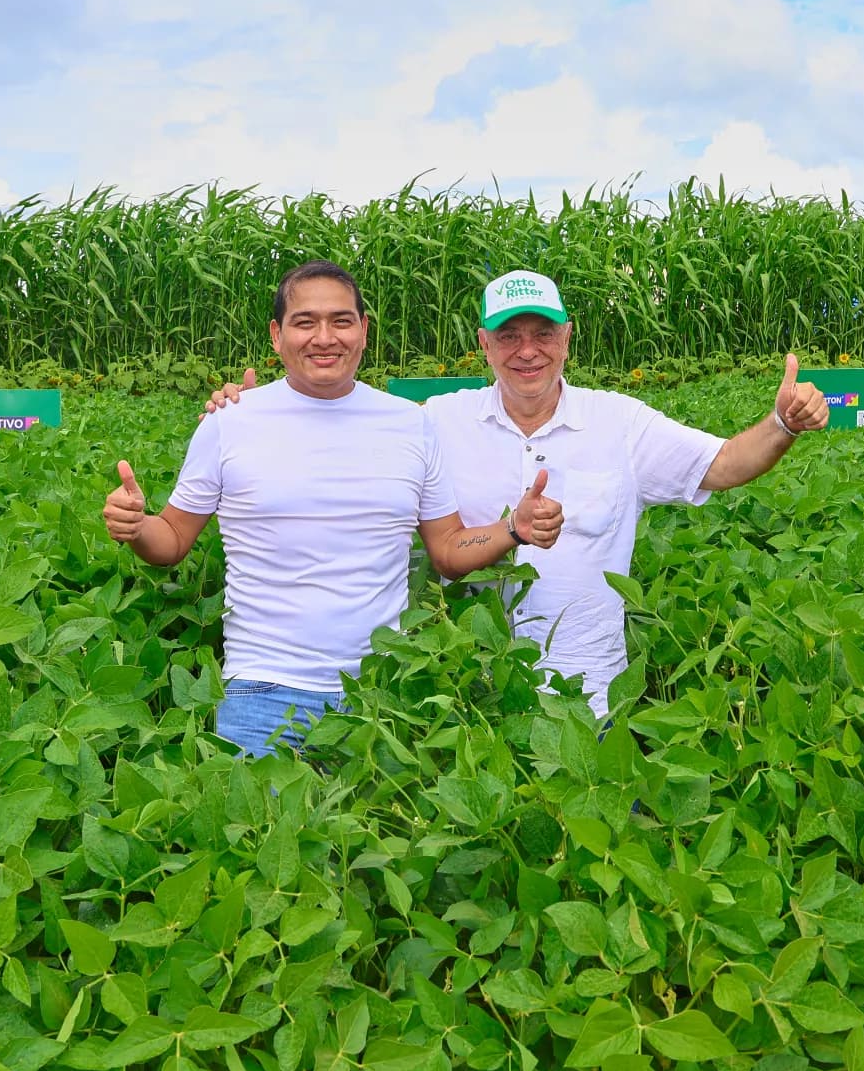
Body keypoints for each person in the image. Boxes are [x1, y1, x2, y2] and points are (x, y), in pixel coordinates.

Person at [206, 268, 828, 715]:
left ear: (567, 337)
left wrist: (781, 425)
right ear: (484, 343)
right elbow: (338, 413)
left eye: (542, 333)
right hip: (470, 691)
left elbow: (721, 463)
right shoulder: (435, 421)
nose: (526, 351)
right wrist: (251, 407)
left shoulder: (620, 422)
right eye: (508, 335)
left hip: (590, 698)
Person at [103, 261, 563, 756]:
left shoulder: (410, 424)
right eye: (305, 322)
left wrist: (512, 528)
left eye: (342, 321)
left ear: (364, 331)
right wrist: (136, 526)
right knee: (254, 832)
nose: (325, 337)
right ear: (277, 335)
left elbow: (448, 550)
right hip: (262, 691)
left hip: (381, 691)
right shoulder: (231, 422)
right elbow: (170, 540)